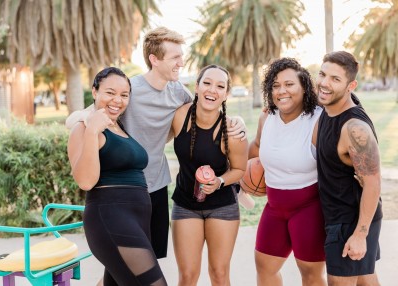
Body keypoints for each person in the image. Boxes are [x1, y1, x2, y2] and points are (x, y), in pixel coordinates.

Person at [65, 27, 247, 262]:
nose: (181, 63)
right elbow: (78, 118)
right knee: (128, 266)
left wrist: (238, 121)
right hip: (125, 187)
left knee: (145, 262)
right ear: (154, 59)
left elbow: (207, 110)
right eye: (175, 57)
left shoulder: (179, 93)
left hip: (157, 187)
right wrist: (81, 121)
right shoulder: (128, 90)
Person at [67, 67, 167, 286]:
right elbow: (85, 181)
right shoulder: (83, 128)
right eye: (110, 92)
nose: (117, 100)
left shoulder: (119, 126)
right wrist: (92, 131)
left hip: (137, 220)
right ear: (94, 92)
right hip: (111, 218)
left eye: (124, 95)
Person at [249, 58, 326, 286]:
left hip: (309, 208)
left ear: (304, 87)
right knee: (264, 269)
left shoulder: (319, 120)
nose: (282, 91)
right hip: (274, 208)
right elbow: (255, 150)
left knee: (310, 275)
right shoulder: (266, 118)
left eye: (289, 84)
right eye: (275, 85)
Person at [170, 64, 248, 285]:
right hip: (185, 204)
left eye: (220, 86)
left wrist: (220, 181)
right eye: (207, 83)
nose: (212, 90)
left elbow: (240, 170)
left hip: (222, 206)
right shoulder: (180, 116)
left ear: (226, 94)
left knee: (219, 274)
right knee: (187, 276)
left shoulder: (232, 131)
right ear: (196, 87)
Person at [316, 51, 383, 285]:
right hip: (342, 215)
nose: (325, 83)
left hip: (350, 222)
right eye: (323, 74)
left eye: (335, 79)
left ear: (350, 85)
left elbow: (373, 181)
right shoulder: (330, 105)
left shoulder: (355, 128)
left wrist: (360, 234)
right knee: (366, 280)